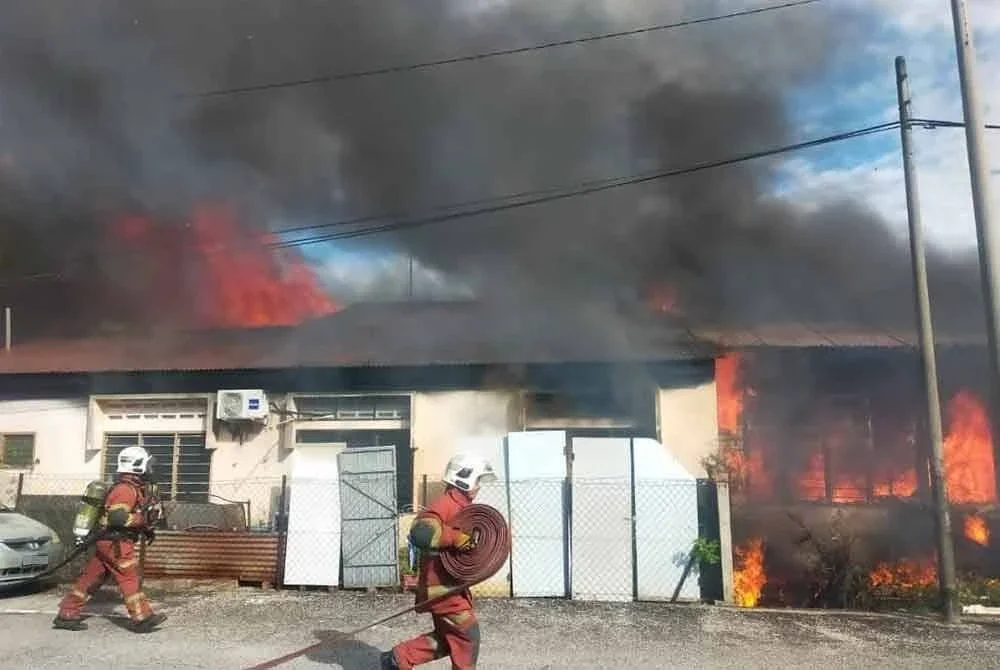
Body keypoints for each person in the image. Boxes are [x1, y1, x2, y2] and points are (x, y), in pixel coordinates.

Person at [381, 453, 498, 670]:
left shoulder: (461, 508)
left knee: (449, 641)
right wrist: (456, 538)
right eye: (478, 480)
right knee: (467, 636)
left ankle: (399, 658)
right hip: (443, 591)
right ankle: (399, 659)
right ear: (464, 478)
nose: (479, 486)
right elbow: (421, 532)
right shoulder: (447, 504)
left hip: (450, 588)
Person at [52, 445, 167, 633]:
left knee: (90, 578)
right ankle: (142, 618)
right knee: (128, 576)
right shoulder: (125, 489)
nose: (150, 469)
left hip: (109, 542)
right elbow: (118, 518)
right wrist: (143, 520)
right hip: (116, 543)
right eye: (147, 464)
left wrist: (145, 529)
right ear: (137, 466)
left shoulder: (132, 487)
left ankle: (67, 614)